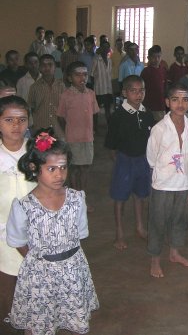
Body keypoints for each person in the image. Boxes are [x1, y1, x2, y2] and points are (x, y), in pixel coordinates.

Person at [6, 128, 99, 334]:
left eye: (63, 168)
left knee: (73, 315)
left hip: (72, 269)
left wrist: (65, 260)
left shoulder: (76, 199)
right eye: (51, 169)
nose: (59, 175)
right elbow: (16, 240)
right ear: (34, 167)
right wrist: (40, 260)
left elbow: (80, 233)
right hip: (39, 275)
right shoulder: (24, 206)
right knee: (40, 321)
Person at [146, 83, 188, 278]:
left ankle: (175, 253)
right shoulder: (159, 128)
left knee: (180, 220)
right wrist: (163, 174)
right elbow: (151, 157)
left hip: (184, 183)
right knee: (158, 221)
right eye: (175, 99)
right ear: (167, 102)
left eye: (185, 99)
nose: (180, 104)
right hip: (163, 184)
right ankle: (155, 259)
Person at [105, 75, 155, 250]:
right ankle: (119, 233)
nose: (138, 94)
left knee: (141, 195)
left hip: (143, 160)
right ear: (125, 93)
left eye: (141, 90)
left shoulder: (147, 114)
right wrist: (120, 161)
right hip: (124, 160)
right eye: (133, 91)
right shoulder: (118, 115)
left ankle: (139, 227)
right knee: (120, 197)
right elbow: (111, 145)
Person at [0, 96, 35, 334]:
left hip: (35, 229)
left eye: (22, 120)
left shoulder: (36, 152)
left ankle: (33, 319)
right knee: (8, 281)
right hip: (2, 230)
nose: (16, 126)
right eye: (9, 120)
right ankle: (8, 317)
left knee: (34, 278)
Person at [56, 61, 99, 212]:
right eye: (77, 75)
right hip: (72, 138)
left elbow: (94, 114)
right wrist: (68, 131)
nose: (82, 78)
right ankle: (73, 199)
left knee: (85, 168)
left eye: (85, 75)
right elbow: (61, 117)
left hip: (87, 137)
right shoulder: (66, 95)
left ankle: (83, 199)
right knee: (73, 168)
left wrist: (93, 131)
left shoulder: (91, 93)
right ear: (69, 78)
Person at [28, 54, 66, 138]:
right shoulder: (34, 87)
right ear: (39, 67)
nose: (47, 68)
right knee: (41, 150)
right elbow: (31, 108)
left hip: (58, 129)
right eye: (43, 65)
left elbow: (65, 108)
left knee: (59, 150)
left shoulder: (61, 85)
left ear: (55, 67)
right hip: (41, 128)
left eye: (50, 65)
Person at [141, 45, 168, 122]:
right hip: (148, 105)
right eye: (153, 57)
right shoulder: (146, 72)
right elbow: (142, 89)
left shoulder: (163, 70)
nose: (156, 59)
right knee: (148, 126)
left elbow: (165, 87)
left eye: (159, 57)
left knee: (160, 128)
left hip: (160, 105)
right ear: (148, 58)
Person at [91, 41, 113, 125]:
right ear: (100, 48)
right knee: (96, 110)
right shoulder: (96, 59)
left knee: (108, 109)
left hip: (108, 89)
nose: (105, 49)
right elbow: (92, 75)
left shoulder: (109, 60)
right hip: (99, 89)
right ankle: (94, 128)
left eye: (107, 47)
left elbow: (110, 75)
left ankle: (109, 127)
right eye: (103, 47)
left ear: (109, 49)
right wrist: (94, 88)